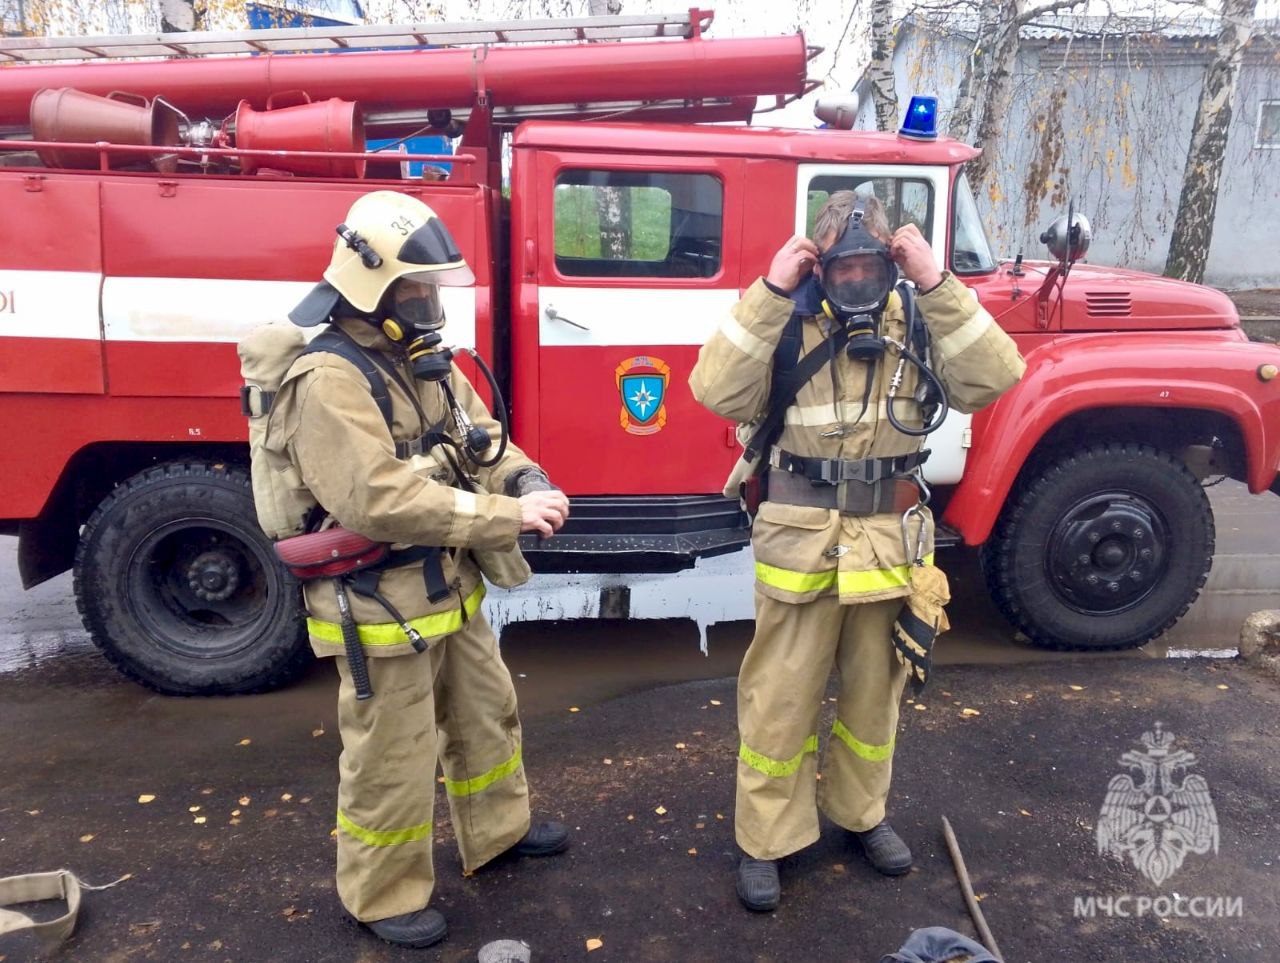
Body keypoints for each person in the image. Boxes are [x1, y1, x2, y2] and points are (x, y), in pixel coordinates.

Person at [689, 191, 1026, 912]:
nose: (856, 281)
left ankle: (861, 815)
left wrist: (938, 283)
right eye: (843, 269)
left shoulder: (921, 318)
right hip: (799, 546)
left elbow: (995, 377)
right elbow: (714, 390)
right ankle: (765, 839)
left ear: (890, 262)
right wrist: (772, 289)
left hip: (886, 546)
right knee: (778, 703)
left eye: (872, 266)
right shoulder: (786, 320)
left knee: (875, 700)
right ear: (822, 264)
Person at [267, 191, 571, 949]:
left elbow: (482, 438)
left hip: (447, 587)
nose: (431, 302)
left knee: (486, 718)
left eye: (432, 288)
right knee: (391, 756)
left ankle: (498, 831)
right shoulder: (328, 380)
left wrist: (527, 481)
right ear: (372, 288)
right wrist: (505, 518)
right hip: (378, 601)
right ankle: (379, 893)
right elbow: (377, 498)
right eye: (417, 289)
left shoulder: (417, 359)